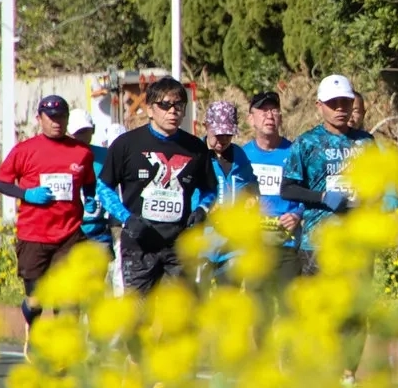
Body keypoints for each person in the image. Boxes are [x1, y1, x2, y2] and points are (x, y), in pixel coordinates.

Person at [280, 74, 398, 386]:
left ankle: (348, 373)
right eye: (333, 104)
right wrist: (322, 198)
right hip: (317, 241)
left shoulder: (366, 142)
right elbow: (288, 188)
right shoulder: (306, 143)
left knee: (354, 310)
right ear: (320, 106)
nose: (340, 109)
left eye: (345, 102)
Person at [96, 78, 216, 294]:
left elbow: (211, 189)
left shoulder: (196, 148)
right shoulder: (126, 144)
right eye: (165, 105)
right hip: (138, 244)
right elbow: (104, 187)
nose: (173, 111)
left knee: (176, 316)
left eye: (179, 105)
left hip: (179, 245)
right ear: (150, 109)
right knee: (136, 317)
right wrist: (127, 219)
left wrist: (201, 210)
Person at [0, 95, 95, 349]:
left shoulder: (81, 152)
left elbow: (89, 182)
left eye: (61, 117)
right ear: (39, 119)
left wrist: (91, 199)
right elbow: (1, 182)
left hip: (69, 234)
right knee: (37, 299)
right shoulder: (25, 150)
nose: (56, 122)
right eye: (51, 117)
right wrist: (26, 194)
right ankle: (34, 327)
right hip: (34, 234)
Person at [241, 91, 303, 303]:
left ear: (281, 118)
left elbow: (308, 190)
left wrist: (297, 214)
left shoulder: (295, 152)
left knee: (290, 309)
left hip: (287, 243)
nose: (269, 116)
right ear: (251, 118)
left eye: (274, 110)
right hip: (255, 246)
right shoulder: (242, 155)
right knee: (259, 311)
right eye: (263, 111)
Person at [197, 100, 258, 281]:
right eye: (219, 134)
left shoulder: (239, 154)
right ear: (206, 126)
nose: (223, 139)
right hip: (203, 243)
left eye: (228, 134)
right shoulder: (196, 154)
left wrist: (252, 197)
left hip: (233, 245)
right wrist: (204, 208)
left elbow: (251, 182)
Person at [68, 110, 115, 257]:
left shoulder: (106, 155)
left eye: (85, 131)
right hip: (71, 231)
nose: (81, 136)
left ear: (93, 129)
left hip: (100, 230)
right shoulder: (60, 156)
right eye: (77, 132)